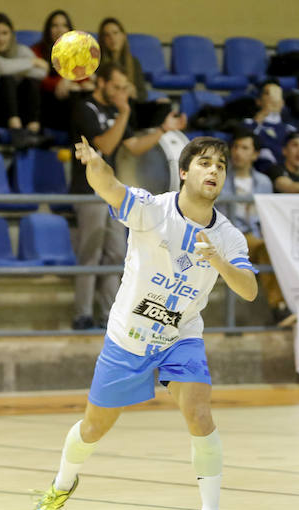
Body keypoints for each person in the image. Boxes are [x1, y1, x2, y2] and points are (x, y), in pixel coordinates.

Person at [31, 134, 258, 510]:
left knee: (200, 414)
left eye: (220, 166)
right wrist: (95, 163)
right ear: (184, 172)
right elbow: (109, 186)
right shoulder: (152, 210)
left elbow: (250, 290)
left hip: (180, 335)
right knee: (93, 427)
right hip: (129, 335)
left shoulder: (228, 237)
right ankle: (62, 484)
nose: (214, 171)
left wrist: (219, 262)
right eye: (204, 163)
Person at [70, 62, 185, 330]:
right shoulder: (85, 109)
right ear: (101, 83)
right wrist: (124, 112)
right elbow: (105, 145)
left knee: (116, 253)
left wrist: (162, 130)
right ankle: (82, 314)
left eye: (125, 88)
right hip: (88, 190)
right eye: (117, 87)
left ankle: (108, 314)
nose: (122, 93)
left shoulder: (117, 110)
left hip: (114, 191)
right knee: (91, 253)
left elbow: (133, 147)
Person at [220, 129, 294, 327]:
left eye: (244, 148)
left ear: (255, 154)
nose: (238, 152)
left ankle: (285, 308)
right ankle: (279, 308)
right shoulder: (219, 177)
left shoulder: (264, 182)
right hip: (225, 238)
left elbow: (265, 218)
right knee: (265, 248)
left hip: (252, 238)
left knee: (274, 248)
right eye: (235, 147)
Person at [0, 12, 49, 150]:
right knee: (6, 78)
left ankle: (33, 130)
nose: (0, 39)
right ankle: (16, 131)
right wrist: (32, 62)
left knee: (31, 82)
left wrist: (12, 71)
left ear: (11, 35)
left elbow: (41, 72)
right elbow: (1, 67)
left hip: (14, 107)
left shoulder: (20, 50)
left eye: (4, 33)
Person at [98, 17, 172, 130]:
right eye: (107, 35)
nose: (112, 38)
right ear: (102, 40)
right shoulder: (98, 63)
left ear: (123, 36)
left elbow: (143, 94)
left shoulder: (133, 62)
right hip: (109, 106)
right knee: (126, 101)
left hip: (132, 105)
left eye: (115, 33)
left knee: (164, 104)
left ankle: (147, 134)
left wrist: (134, 91)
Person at [31, 10, 93, 129]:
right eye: (55, 26)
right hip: (47, 99)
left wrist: (67, 80)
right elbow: (37, 80)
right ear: (48, 29)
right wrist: (58, 83)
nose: (59, 30)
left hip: (69, 98)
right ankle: (77, 135)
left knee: (87, 87)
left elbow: (84, 76)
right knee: (74, 89)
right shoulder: (37, 50)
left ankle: (86, 134)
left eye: (64, 25)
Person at [240, 80, 298, 172]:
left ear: (282, 103)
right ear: (258, 101)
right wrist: (260, 118)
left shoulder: (290, 130)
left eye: (277, 94)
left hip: (285, 172)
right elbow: (242, 145)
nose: (273, 98)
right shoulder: (248, 123)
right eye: (268, 94)